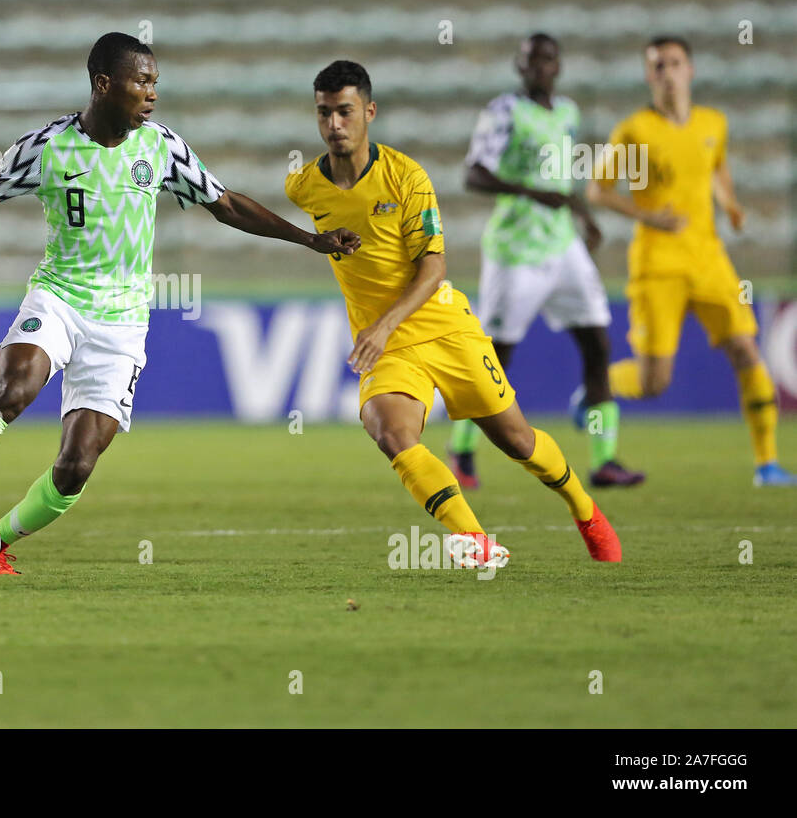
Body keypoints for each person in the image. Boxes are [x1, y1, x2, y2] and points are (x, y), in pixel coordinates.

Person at [0, 33, 360, 574]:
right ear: (104, 84)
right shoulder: (48, 147)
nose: (152, 93)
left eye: (155, 82)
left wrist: (310, 239)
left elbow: (228, 206)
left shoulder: (162, 146)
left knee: (76, 464)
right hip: (58, 297)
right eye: (141, 81)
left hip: (122, 322)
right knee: (16, 387)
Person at [286, 60, 622, 566]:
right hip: (390, 346)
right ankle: (475, 539)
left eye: (345, 112)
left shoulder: (407, 177)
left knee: (518, 442)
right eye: (324, 113)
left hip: (443, 328)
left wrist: (383, 324)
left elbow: (434, 267)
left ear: (369, 112)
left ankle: (584, 509)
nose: (334, 124)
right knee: (391, 433)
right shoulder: (305, 186)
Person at [589, 36, 794, 487]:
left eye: (674, 63)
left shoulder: (713, 123)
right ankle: (595, 387)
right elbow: (597, 189)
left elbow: (716, 168)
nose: (667, 72)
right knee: (654, 382)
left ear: (691, 70)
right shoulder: (632, 131)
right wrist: (648, 216)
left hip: (709, 259)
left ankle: (767, 464)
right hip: (656, 263)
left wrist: (732, 203)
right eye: (658, 65)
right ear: (649, 76)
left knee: (746, 348)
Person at [449, 33, 643, 490]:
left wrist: (582, 216)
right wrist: (532, 193)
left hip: (563, 247)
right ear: (520, 66)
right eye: (531, 59)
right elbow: (473, 173)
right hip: (516, 251)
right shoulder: (505, 112)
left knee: (598, 347)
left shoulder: (569, 113)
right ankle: (461, 451)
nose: (540, 66)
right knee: (496, 358)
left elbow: (560, 178)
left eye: (548, 59)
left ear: (558, 66)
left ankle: (604, 459)